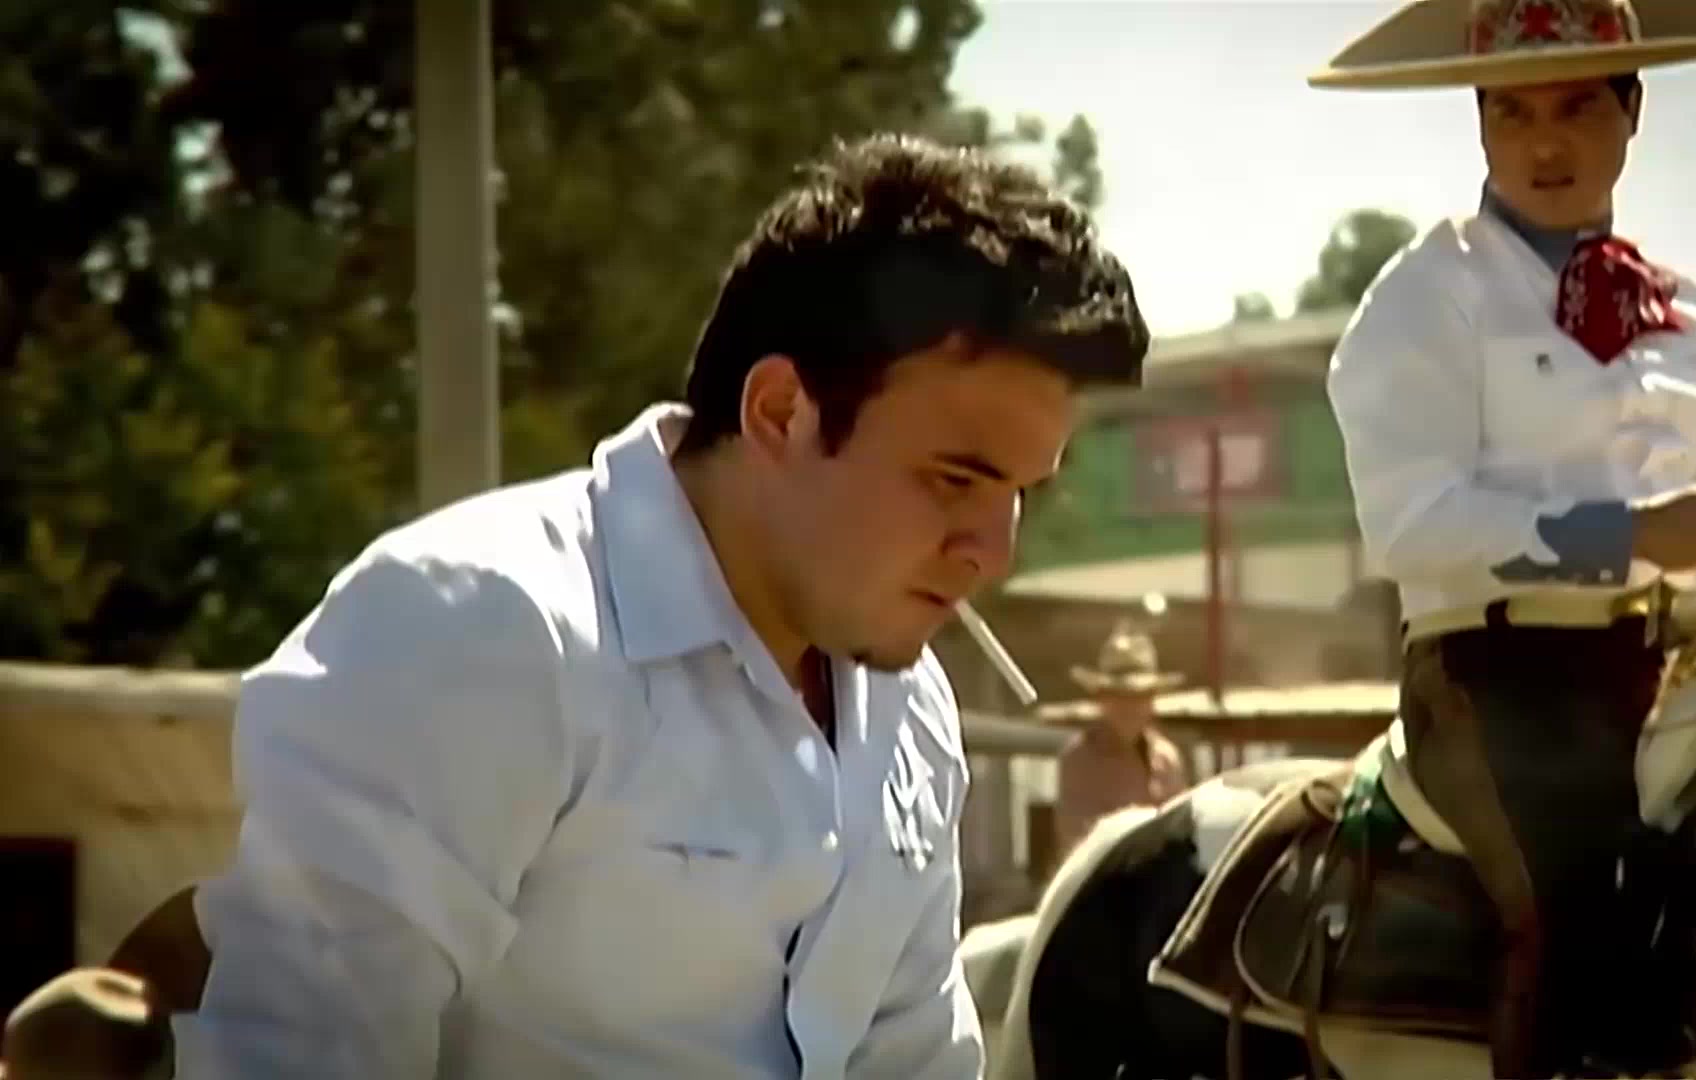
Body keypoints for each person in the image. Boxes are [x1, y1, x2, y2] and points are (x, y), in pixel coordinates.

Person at [172, 133, 1150, 1079]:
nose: (993, 552)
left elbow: (913, 1059)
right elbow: (297, 1053)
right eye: (954, 479)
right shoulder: (483, 629)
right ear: (779, 413)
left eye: (1021, 494)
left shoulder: (911, 709)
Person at [1308, 0, 1696, 1075]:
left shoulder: (1692, 312)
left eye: (1578, 107)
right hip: (1491, 678)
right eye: (1512, 112)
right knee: (1583, 909)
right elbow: (1411, 525)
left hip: (1668, 673)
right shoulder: (1427, 295)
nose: (1545, 143)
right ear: (1480, 123)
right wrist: (1629, 534)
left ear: (1633, 111)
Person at [1051, 618, 1191, 860]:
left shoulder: (1167, 759)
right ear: (1102, 699)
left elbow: (1183, 833)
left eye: (1140, 696)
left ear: (1152, 700)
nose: (1130, 707)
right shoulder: (1079, 760)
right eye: (1119, 696)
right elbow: (1077, 845)